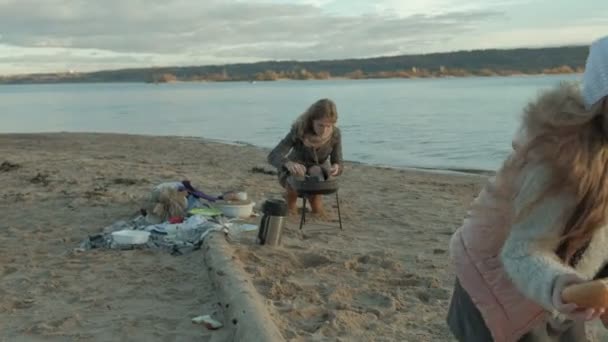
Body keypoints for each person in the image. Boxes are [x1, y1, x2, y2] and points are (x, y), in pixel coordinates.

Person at [447, 35, 608, 342]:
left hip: (568, 271)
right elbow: (522, 251)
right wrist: (562, 286)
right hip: (497, 280)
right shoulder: (560, 157)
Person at [267, 98, 343, 216]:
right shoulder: (299, 130)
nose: (324, 130)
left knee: (317, 171)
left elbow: (338, 161)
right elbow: (273, 155)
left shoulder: (335, 134)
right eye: (320, 125)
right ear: (312, 121)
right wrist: (288, 163)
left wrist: (337, 167)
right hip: (292, 172)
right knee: (299, 172)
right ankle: (291, 204)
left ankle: (315, 206)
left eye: (328, 126)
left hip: (317, 173)